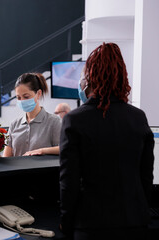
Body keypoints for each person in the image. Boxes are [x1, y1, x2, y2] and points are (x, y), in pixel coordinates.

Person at [59, 43, 154, 240]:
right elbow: (145, 177)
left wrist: (66, 223)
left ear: (90, 79)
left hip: (91, 225)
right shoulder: (138, 117)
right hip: (135, 223)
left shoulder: (74, 120)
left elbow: (70, 182)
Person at [3, 73, 61, 157]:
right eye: (18, 97)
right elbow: (6, 157)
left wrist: (42, 151)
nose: (22, 101)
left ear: (38, 94)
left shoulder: (54, 122)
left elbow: (65, 148)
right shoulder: (14, 124)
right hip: (17, 170)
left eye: (26, 96)